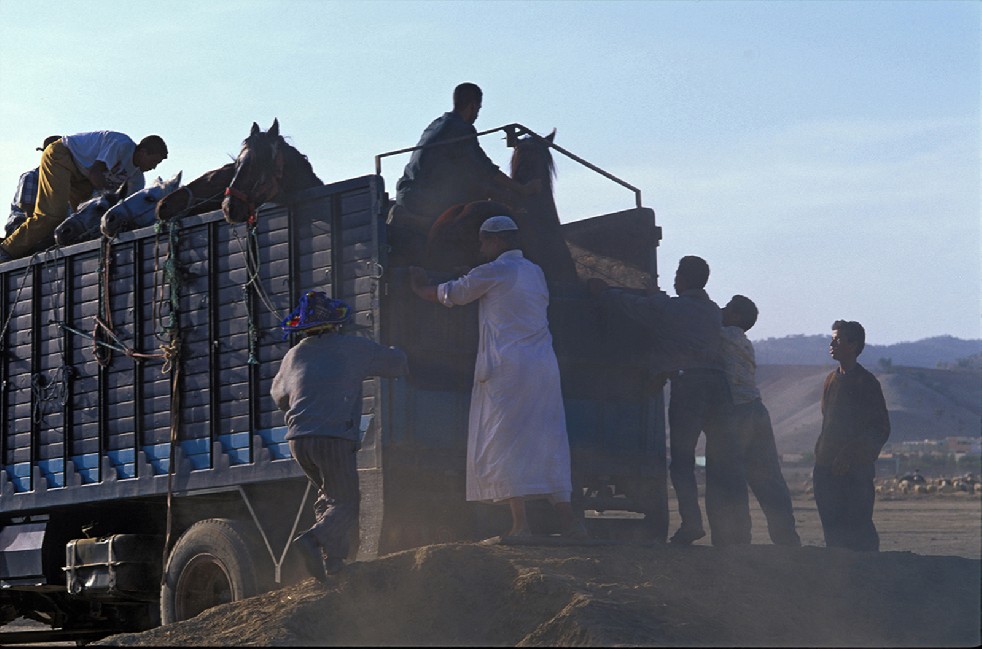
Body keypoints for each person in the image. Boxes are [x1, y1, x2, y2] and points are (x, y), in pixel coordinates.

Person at [408, 215, 586, 539]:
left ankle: (521, 526)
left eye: (483, 241)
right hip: (543, 365)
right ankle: (572, 523)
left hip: (509, 367)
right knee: (549, 441)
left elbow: (455, 293)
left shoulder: (497, 270)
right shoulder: (535, 272)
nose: (480, 247)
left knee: (507, 441)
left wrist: (420, 288)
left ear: (497, 240)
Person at [588, 256, 748, 546]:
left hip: (689, 387)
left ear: (683, 278)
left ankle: (691, 523)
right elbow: (669, 311)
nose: (674, 279)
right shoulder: (712, 311)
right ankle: (731, 533)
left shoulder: (669, 309)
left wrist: (603, 291)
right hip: (718, 387)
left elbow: (632, 305)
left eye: (677, 274)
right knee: (723, 461)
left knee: (683, 461)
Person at [271, 292, 409, 579]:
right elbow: (398, 364)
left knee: (330, 496)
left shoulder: (293, 355)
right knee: (347, 502)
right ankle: (313, 539)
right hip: (332, 437)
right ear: (336, 322)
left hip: (298, 440)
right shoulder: (352, 347)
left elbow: (279, 397)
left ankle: (333, 562)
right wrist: (399, 347)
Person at [388, 82, 539, 262]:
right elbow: (485, 168)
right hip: (423, 199)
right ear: (473, 105)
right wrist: (521, 190)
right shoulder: (461, 128)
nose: (476, 114)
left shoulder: (438, 124)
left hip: (408, 193)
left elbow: (472, 171)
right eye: (478, 109)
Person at [0, 131, 168, 260]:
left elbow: (127, 207)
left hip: (82, 176)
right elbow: (96, 174)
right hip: (62, 156)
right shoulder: (121, 144)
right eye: (155, 161)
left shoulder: (136, 177)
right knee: (52, 214)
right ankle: (6, 250)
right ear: (143, 152)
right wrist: (109, 192)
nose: (154, 167)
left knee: (82, 220)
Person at [720, 295, 801, 546]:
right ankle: (787, 540)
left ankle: (737, 540)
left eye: (726, 308)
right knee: (769, 478)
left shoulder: (725, 336)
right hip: (756, 409)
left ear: (735, 316)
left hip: (738, 411)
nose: (721, 310)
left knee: (732, 476)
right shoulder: (743, 341)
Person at [813, 319, 891, 552]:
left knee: (859, 527)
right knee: (832, 528)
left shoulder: (866, 383)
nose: (831, 343)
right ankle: (839, 579)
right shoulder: (830, 380)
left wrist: (851, 455)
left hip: (855, 470)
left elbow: (880, 428)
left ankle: (869, 577)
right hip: (826, 467)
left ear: (853, 345)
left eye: (837, 339)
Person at [6, 135, 62, 238]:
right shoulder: (32, 177)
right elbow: (30, 214)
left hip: (45, 223)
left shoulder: (64, 181)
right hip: (20, 226)